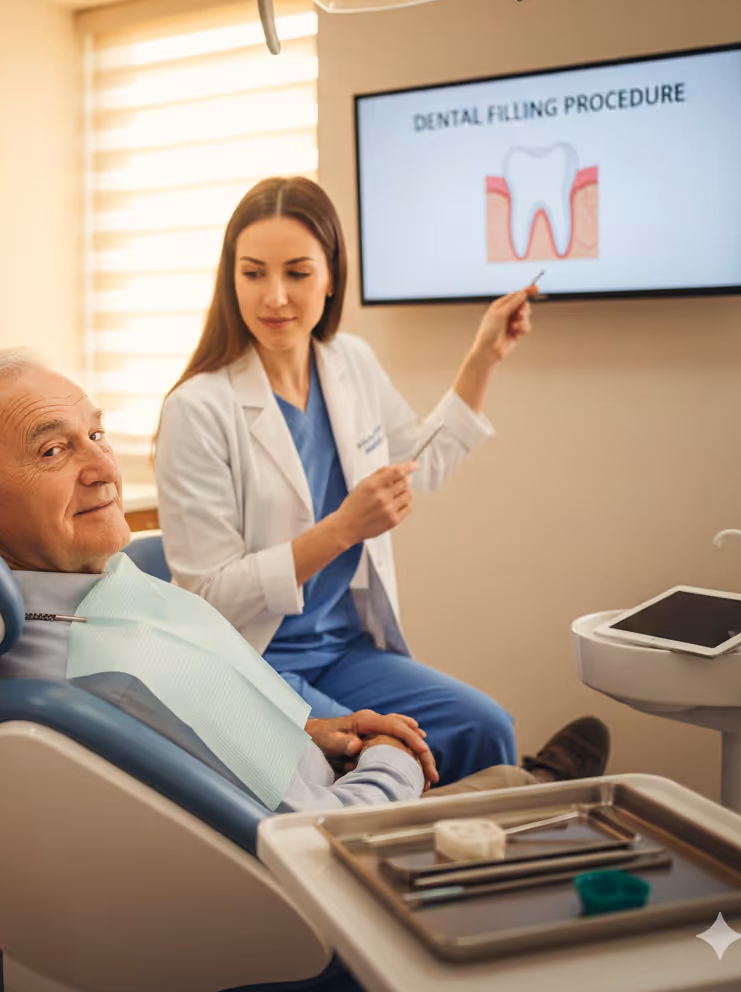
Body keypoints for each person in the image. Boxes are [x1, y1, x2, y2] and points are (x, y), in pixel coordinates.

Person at [0, 351, 609, 814]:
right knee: (516, 803)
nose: (105, 469)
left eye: (96, 435)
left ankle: (535, 784)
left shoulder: (92, 592)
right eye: (54, 449)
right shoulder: (113, 675)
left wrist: (317, 729)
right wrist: (390, 761)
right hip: (330, 871)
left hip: (314, 744)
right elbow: (328, 842)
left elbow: (219, 686)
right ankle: (539, 790)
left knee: (487, 735)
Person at [155, 177, 537, 788]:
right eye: (253, 273)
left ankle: (502, 828)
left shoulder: (349, 363)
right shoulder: (197, 409)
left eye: (297, 273)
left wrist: (483, 356)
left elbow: (417, 463)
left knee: (485, 728)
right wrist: (343, 529)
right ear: (231, 279)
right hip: (256, 660)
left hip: (347, 650)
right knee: (391, 754)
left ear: (331, 275)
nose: (275, 296)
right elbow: (206, 596)